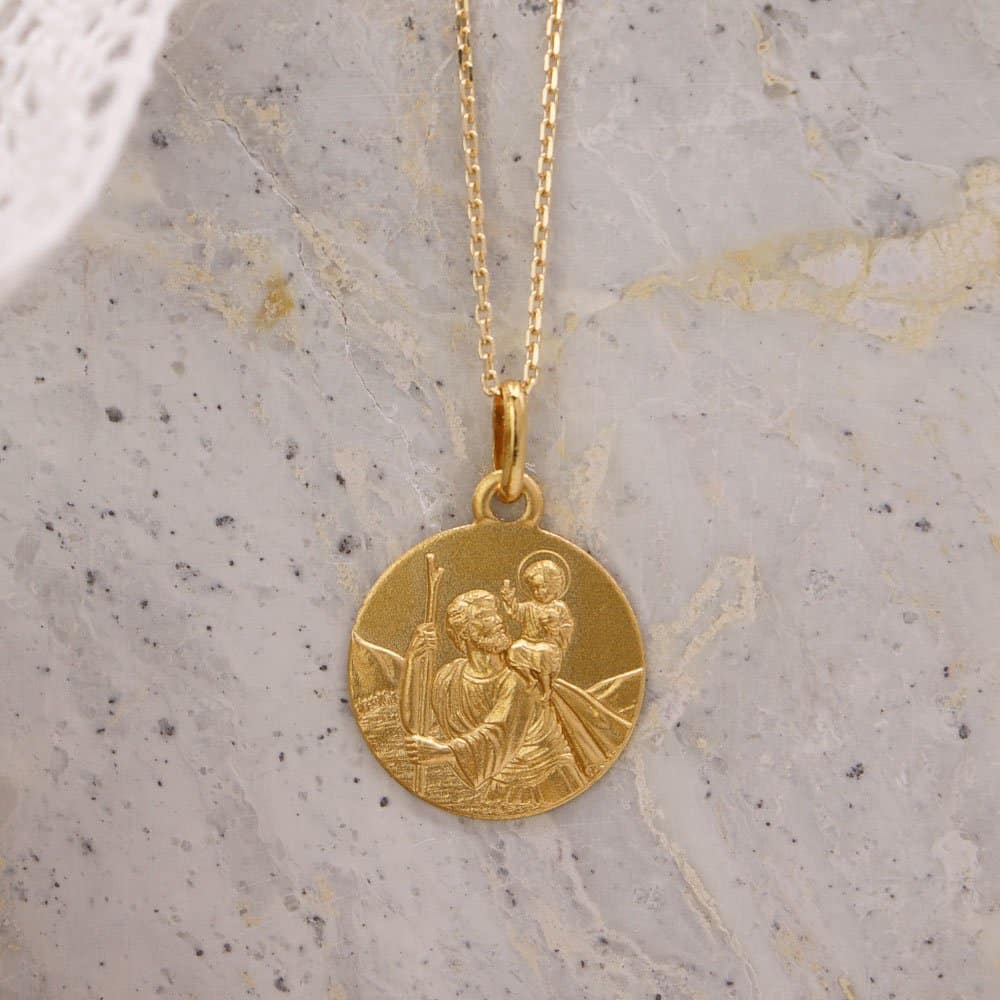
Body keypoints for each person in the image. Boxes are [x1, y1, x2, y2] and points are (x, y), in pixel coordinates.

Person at [403, 589, 582, 807]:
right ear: (464, 632)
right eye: (485, 616)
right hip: (503, 784)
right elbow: (416, 724)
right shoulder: (449, 677)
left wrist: (445, 752)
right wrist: (413, 660)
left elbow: (498, 733)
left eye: (495, 612)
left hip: (548, 781)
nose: (498, 620)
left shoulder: (520, 676)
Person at [499, 558, 573, 702]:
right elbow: (516, 611)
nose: (538, 592)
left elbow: (566, 627)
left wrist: (554, 623)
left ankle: (547, 689)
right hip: (528, 642)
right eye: (534, 588)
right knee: (514, 649)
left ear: (553, 586)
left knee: (543, 654)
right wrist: (509, 599)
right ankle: (530, 679)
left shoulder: (559, 608)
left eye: (542, 587)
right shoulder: (529, 606)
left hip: (548, 644)